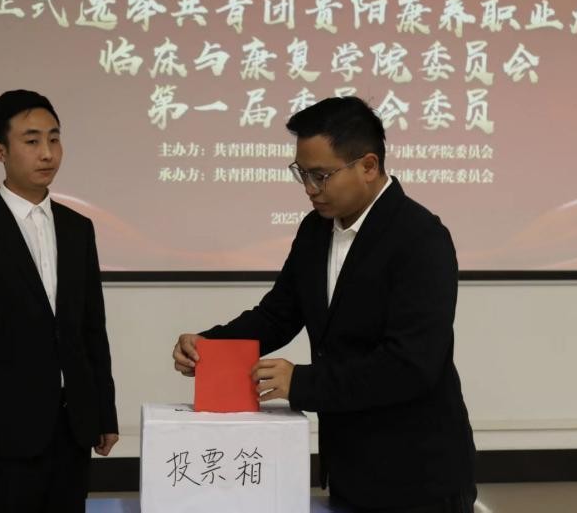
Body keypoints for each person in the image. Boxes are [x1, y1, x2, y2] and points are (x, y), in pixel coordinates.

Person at [172, 96, 476, 513]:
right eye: (302, 173)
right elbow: (278, 314)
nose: (310, 189)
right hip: (351, 464)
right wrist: (209, 346)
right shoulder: (316, 231)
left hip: (418, 473)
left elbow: (411, 364)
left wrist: (301, 382)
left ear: (368, 166)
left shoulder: (420, 238)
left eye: (321, 175)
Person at [0, 89, 118, 513]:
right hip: (3, 439)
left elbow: (91, 328)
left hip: (72, 430)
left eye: (54, 139)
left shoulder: (78, 229)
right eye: (32, 140)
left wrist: (104, 412)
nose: (47, 153)